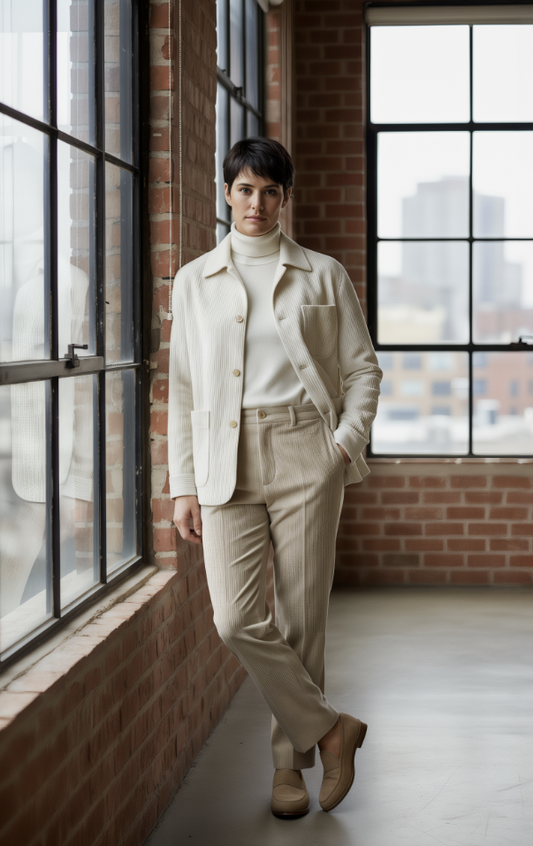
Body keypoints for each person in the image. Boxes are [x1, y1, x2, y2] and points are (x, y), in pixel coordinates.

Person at [169, 138, 382, 817]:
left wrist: (342, 446)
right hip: (222, 457)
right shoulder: (194, 279)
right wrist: (182, 484)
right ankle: (328, 729)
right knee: (235, 618)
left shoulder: (322, 274)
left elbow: (362, 370)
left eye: (269, 191)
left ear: (284, 198)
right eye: (244, 189)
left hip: (304, 450)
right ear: (226, 193)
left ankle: (287, 768)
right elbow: (179, 391)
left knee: (299, 620)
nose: (255, 203)